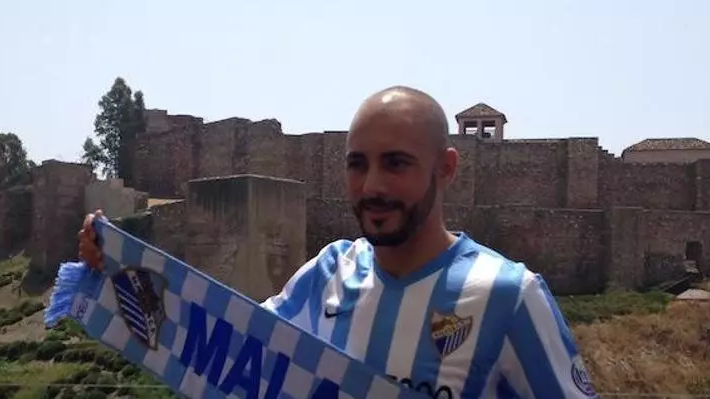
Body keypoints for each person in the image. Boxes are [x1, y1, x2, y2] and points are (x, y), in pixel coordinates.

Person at [78, 86, 597, 399]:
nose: (372, 186)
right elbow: (223, 348)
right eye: (357, 164)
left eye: (396, 163)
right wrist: (112, 267)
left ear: (445, 168)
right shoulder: (326, 275)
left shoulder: (511, 297)